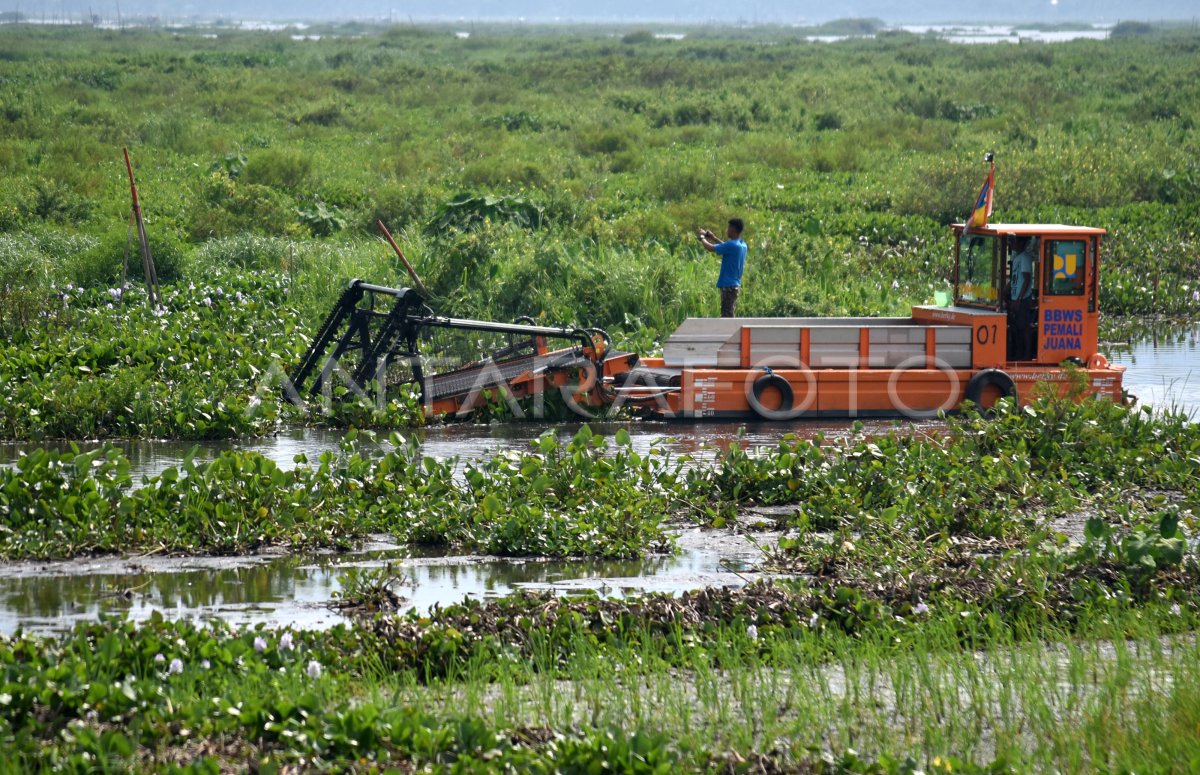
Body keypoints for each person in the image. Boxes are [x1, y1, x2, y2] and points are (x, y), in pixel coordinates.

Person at [697, 218, 747, 318]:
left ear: (733, 229)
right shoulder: (742, 244)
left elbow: (710, 248)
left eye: (728, 227)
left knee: (727, 317)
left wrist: (702, 237)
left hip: (728, 286)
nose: (727, 230)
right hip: (734, 286)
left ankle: (730, 334)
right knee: (729, 313)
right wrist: (713, 237)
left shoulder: (732, 245)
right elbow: (726, 246)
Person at [1008, 236, 1036, 360]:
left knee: (1024, 327)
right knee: (1016, 328)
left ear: (1022, 243)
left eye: (1014, 241)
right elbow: (1015, 278)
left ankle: (1026, 354)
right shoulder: (1016, 258)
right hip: (1015, 298)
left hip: (1023, 299)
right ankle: (1018, 353)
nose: (1012, 244)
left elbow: (1026, 279)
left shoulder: (1024, 258)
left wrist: (1019, 299)